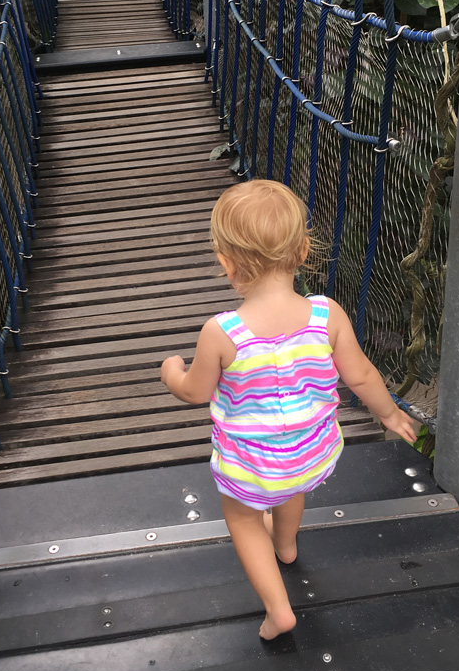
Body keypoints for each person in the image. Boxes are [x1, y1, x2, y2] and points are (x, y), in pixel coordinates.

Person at [160, 178, 417, 640]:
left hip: (253, 465)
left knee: (242, 517)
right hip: (310, 454)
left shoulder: (222, 333)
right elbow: (360, 376)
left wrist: (171, 371)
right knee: (289, 486)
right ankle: (286, 545)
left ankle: (279, 609)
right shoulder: (326, 314)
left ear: (226, 263)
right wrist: (390, 414)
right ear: (302, 252)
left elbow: (196, 392)